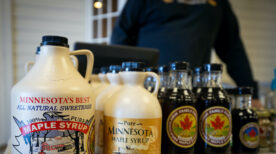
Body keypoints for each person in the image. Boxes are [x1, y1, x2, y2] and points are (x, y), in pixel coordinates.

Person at [111, 0, 261, 108]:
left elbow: (233, 49)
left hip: (194, 95)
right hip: (147, 93)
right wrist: (118, 84)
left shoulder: (219, 4)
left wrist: (250, 93)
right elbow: (120, 39)